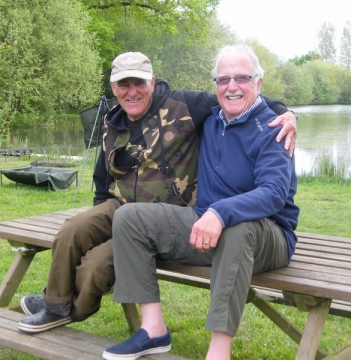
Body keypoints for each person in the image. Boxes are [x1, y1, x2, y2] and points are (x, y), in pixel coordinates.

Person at [18, 50, 297, 334]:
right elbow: (102, 179)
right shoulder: (110, 122)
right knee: (72, 231)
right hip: (120, 204)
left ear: (151, 82)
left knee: (97, 264)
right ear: (114, 88)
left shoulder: (183, 105)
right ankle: (54, 303)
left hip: (169, 214)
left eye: (138, 83)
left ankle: (69, 310)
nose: (132, 92)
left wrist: (287, 113)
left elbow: (235, 95)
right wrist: (100, 220)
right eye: (123, 85)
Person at [103, 44, 299, 360]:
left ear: (258, 83)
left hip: (268, 235)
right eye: (223, 80)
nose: (231, 87)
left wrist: (222, 212)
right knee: (129, 217)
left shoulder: (274, 128)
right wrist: (213, 215)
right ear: (216, 85)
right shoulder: (210, 119)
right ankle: (153, 330)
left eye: (241, 78)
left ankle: (218, 352)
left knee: (237, 230)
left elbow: (275, 193)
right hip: (205, 225)